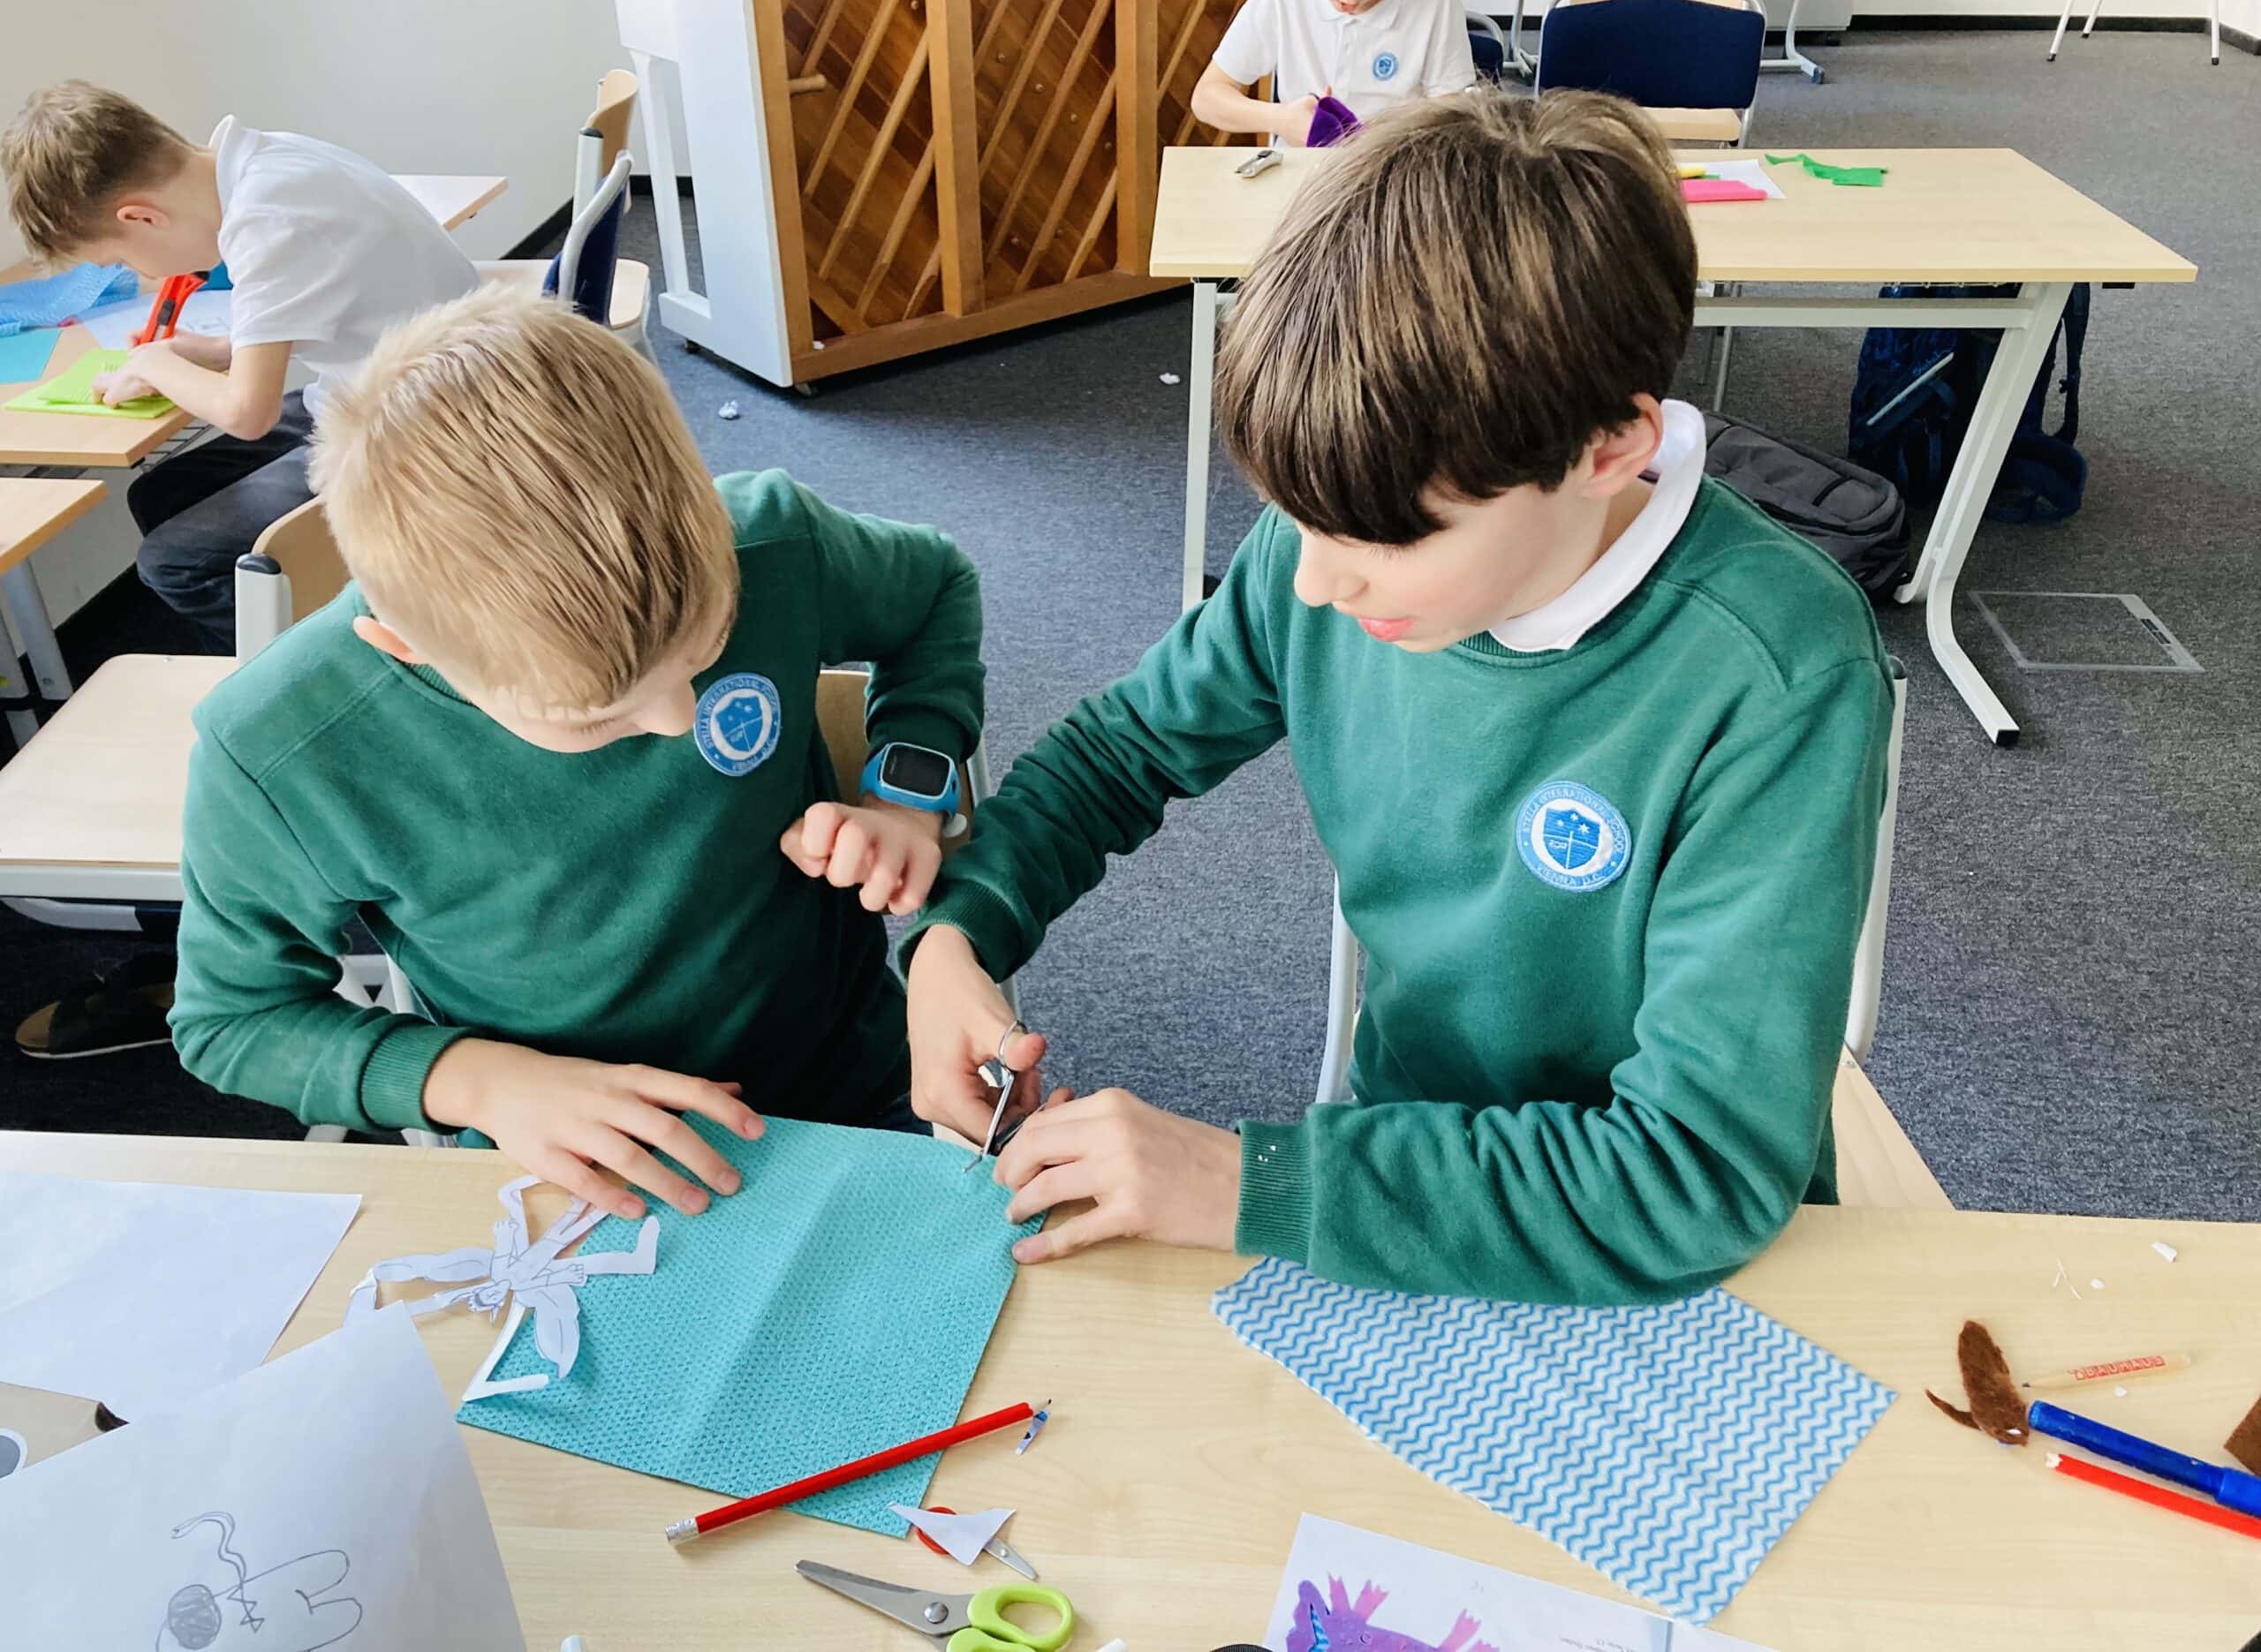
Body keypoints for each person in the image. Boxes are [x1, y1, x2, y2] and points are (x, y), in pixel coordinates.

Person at [903, 90, 1894, 1305]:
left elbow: (1691, 1175)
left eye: (1385, 538)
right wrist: (955, 936)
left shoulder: (1776, 672)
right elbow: (1120, 753)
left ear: (1606, 451)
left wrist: (1242, 1182)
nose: (1316, 582)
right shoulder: (1334, 538)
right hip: (1405, 1169)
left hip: (1677, 1258)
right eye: (1293, 519)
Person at [170, 286, 985, 1219]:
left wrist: (905, 792)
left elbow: (935, 590)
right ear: (407, 648)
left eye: (711, 646)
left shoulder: (769, 537)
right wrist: (478, 1082)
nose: (679, 722)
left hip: (857, 1083)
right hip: (577, 1167)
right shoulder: (276, 750)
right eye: (595, 718)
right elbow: (232, 1020)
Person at [1, 81, 477, 647]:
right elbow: (317, 301)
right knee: (161, 495)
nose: (143, 275)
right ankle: (298, 605)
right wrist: (213, 351)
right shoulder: (269, 161)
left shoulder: (263, 222)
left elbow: (248, 413)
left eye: (120, 258)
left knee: (174, 563)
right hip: (411, 384)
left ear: (142, 218)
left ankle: (332, 658)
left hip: (425, 430)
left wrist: (153, 362)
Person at [1190, 0, 1477, 146]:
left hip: (1396, 173)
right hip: (1302, 174)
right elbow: (1207, 98)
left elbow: (1453, 114)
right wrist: (1282, 119)